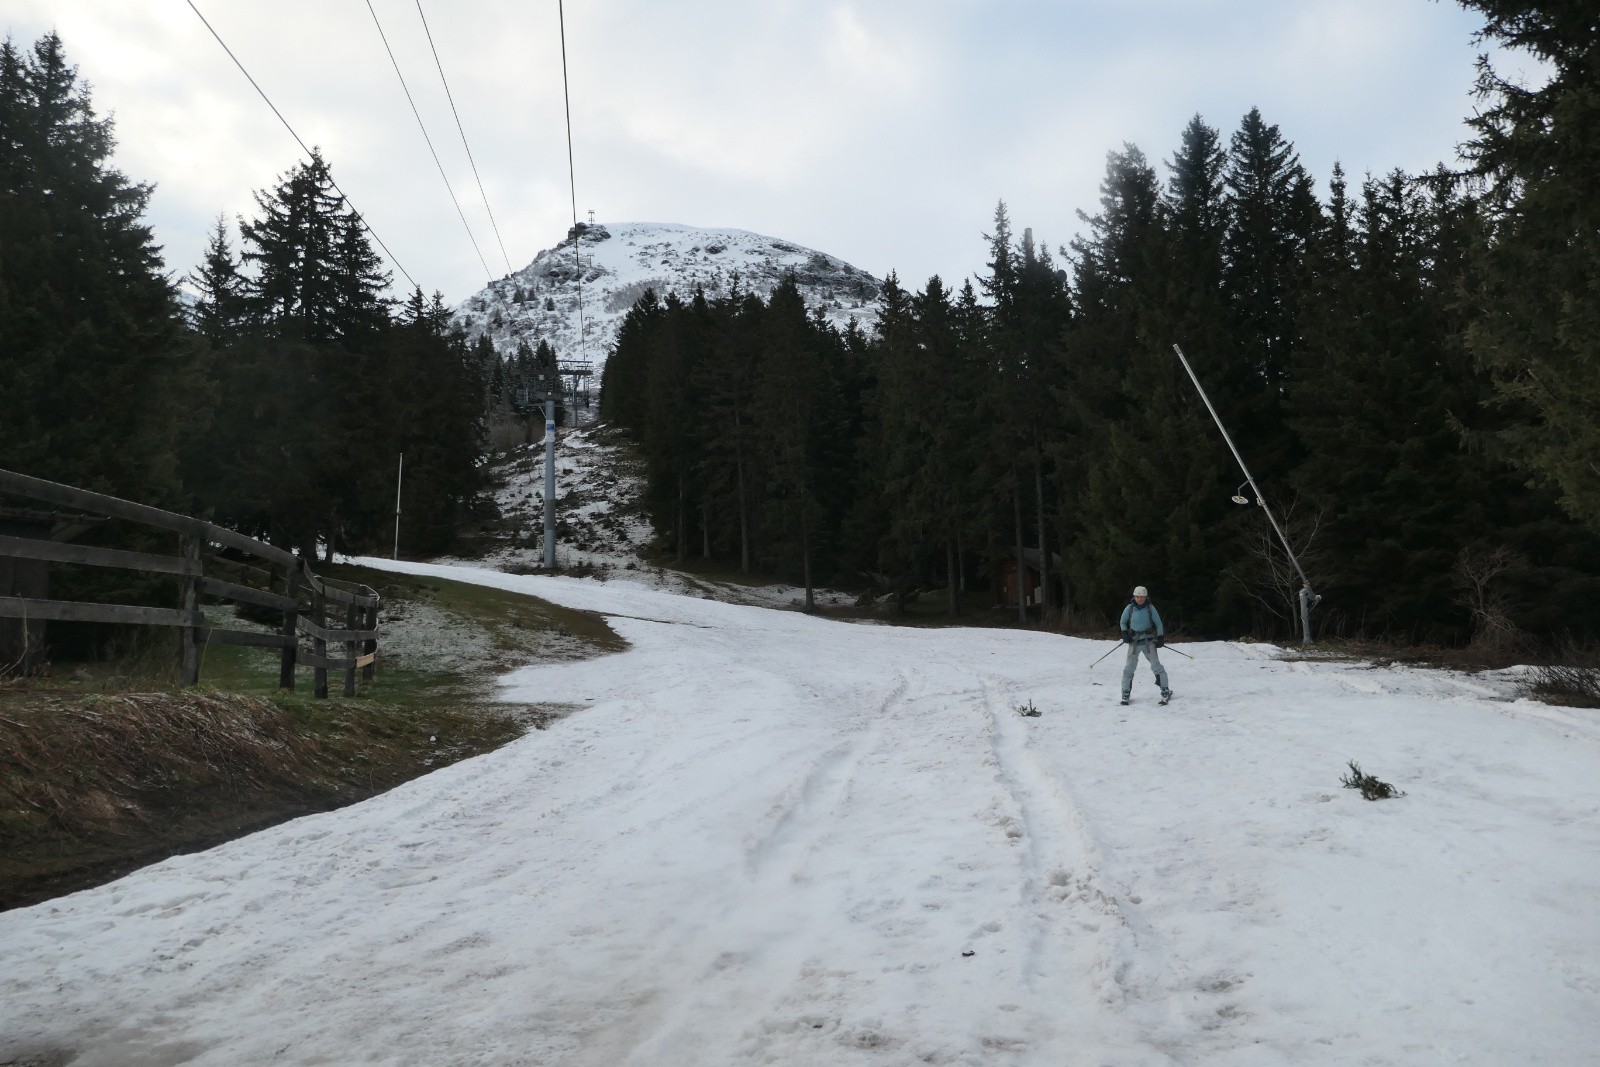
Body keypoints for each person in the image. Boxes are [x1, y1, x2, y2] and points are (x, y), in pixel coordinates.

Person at [1119, 585, 1172, 705]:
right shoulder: (1129, 608)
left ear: (1146, 597)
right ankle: (1125, 692)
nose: (1140, 599)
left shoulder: (1150, 608)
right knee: (1129, 668)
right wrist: (1124, 633)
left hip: (1149, 642)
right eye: (1137, 597)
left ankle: (1165, 690)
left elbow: (1158, 623)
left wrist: (1160, 637)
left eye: (1142, 597)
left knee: (1156, 666)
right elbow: (1123, 622)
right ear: (1134, 597)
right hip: (1134, 642)